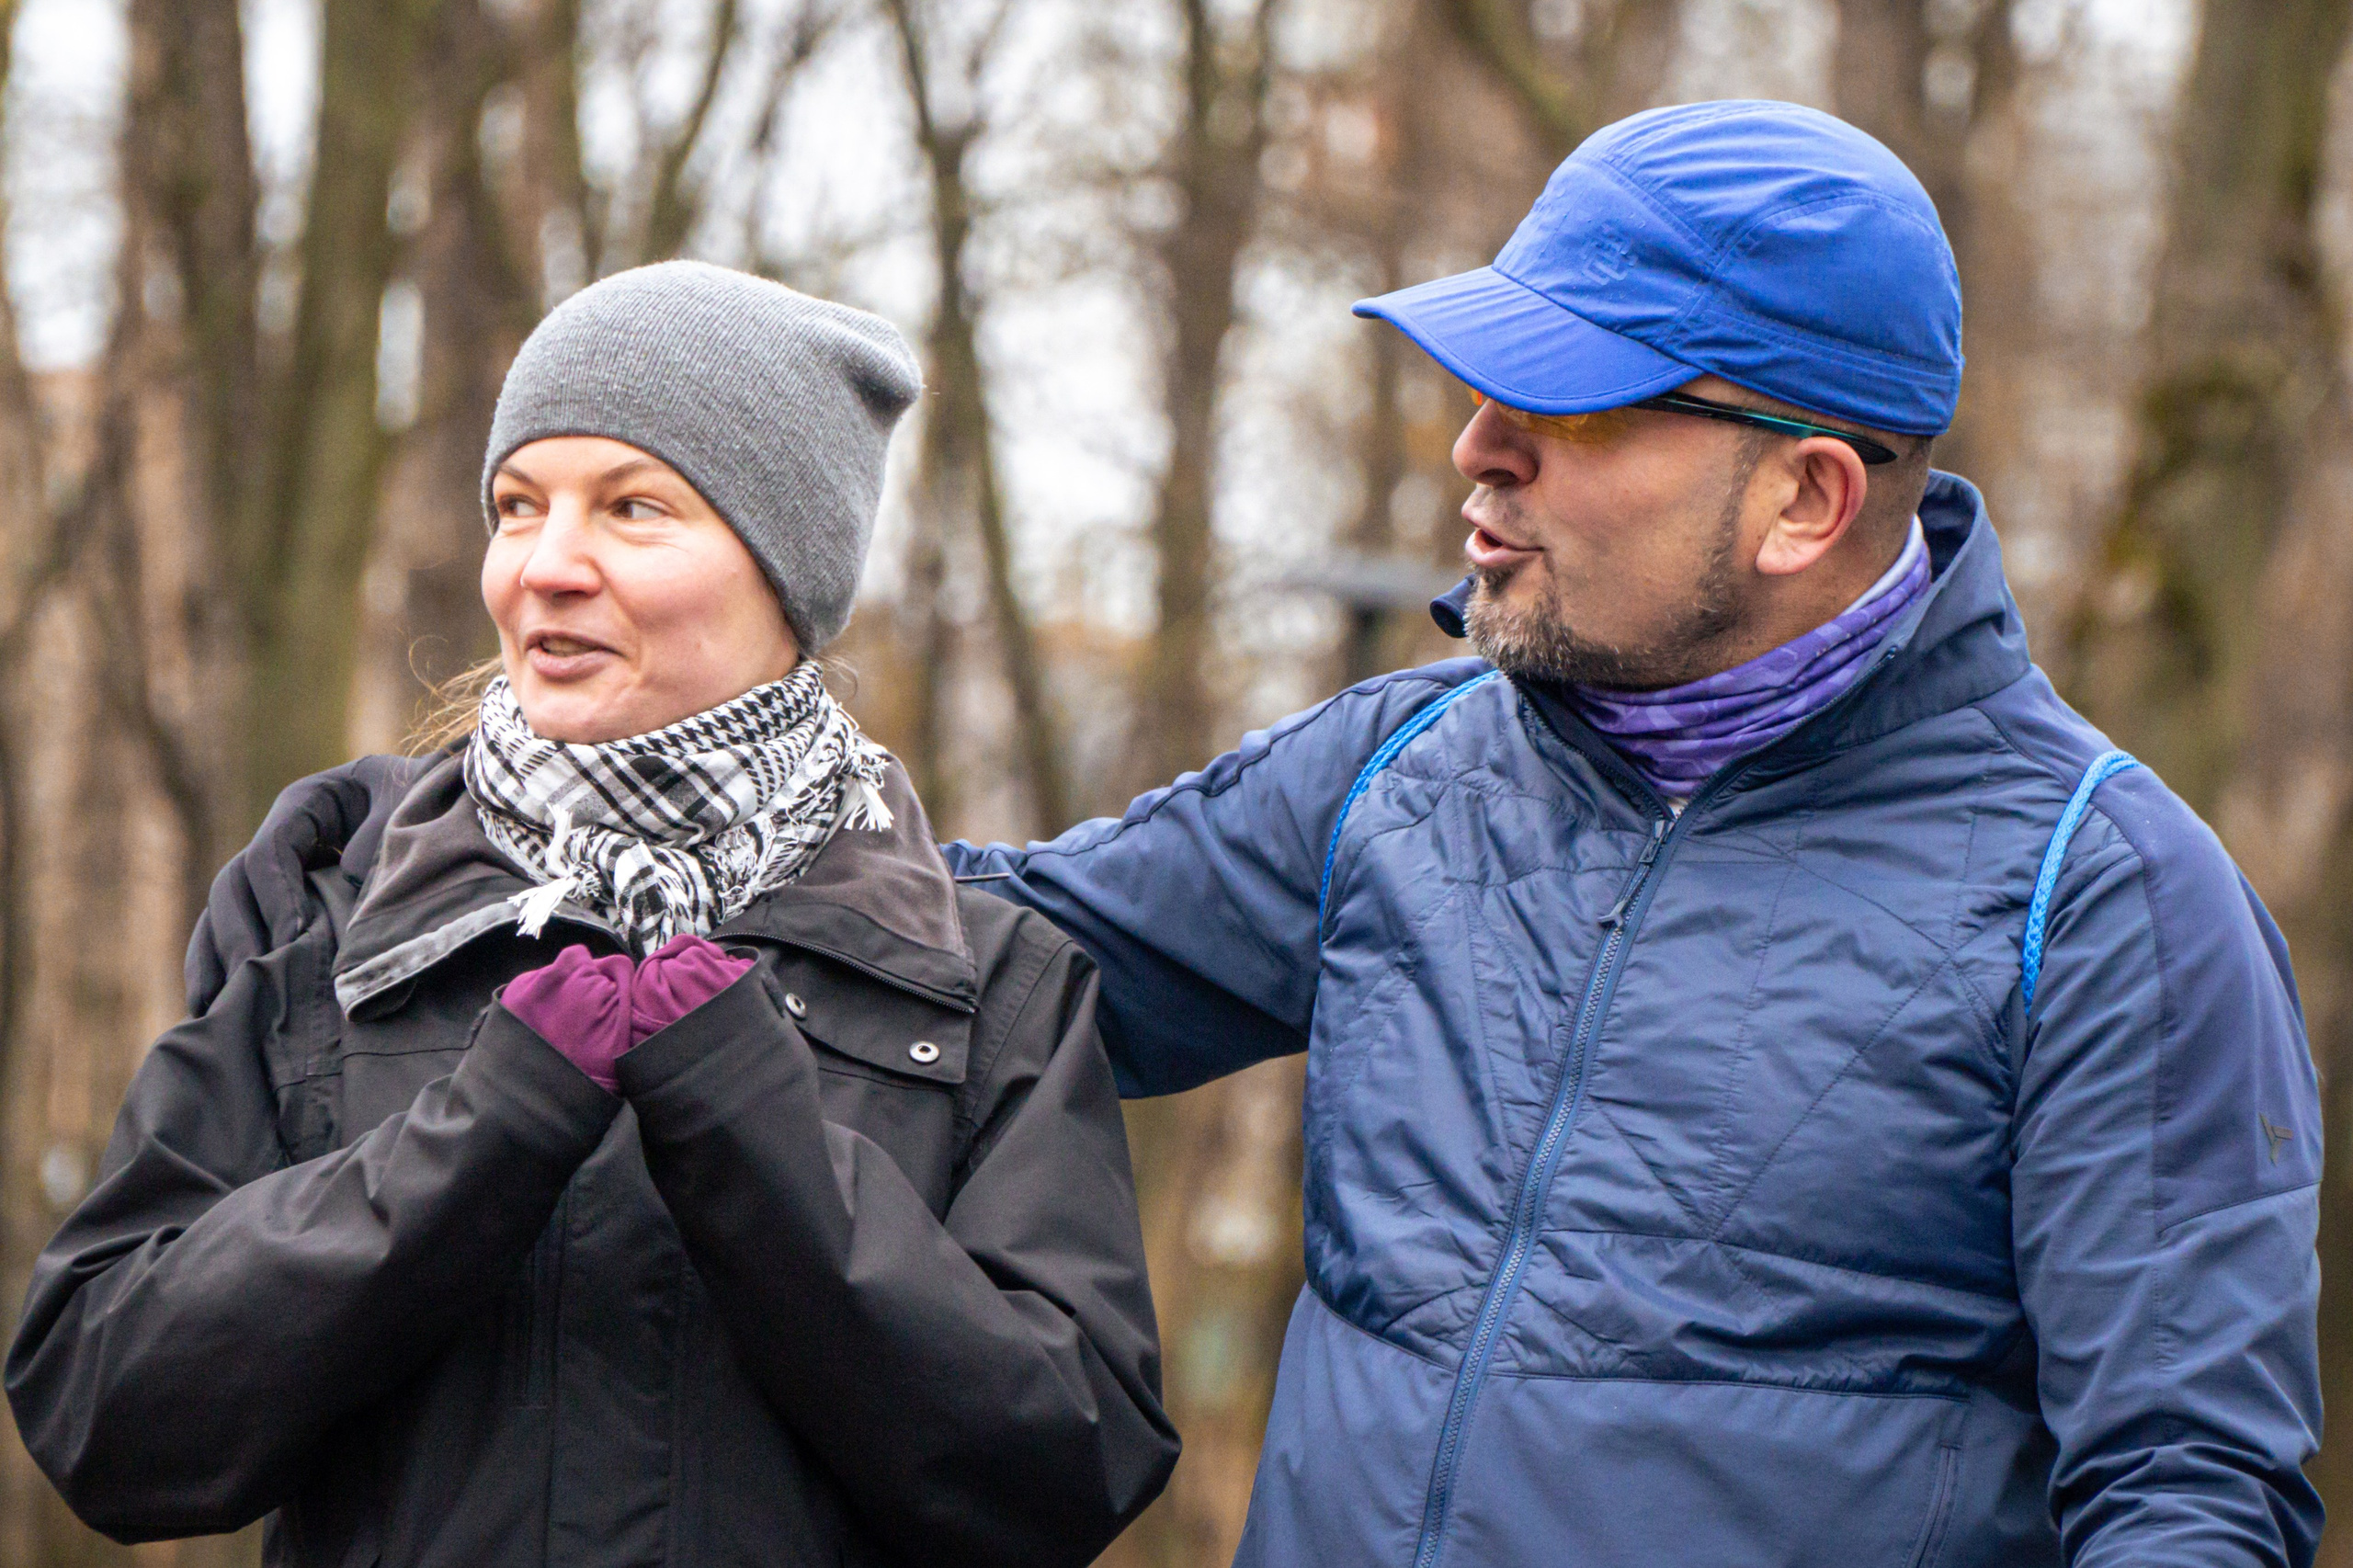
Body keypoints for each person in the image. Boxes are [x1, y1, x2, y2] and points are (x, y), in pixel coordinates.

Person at [183, 103, 2325, 1567]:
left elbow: (2188, 1490)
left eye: (1560, 410)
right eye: (1478, 390)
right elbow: (959, 960)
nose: (1473, 452)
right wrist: (483, 844)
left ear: (1803, 497)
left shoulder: (2099, 899)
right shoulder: (1404, 771)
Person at [6, 261, 1177, 1568]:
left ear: (786, 571)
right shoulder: (329, 926)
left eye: (633, 508)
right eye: (518, 505)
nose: (546, 567)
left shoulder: (982, 981)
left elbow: (1063, 1474)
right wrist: (482, 1135)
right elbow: (102, 1414)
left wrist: (751, 1122)